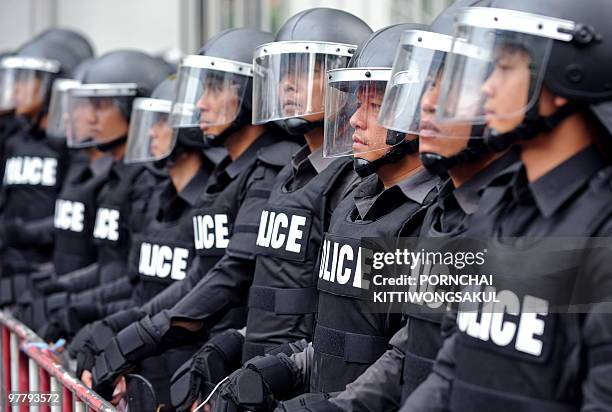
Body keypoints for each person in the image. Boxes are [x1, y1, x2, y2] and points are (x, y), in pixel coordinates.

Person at [216, 22, 441, 411]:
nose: (355, 119)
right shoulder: (354, 202)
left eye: (377, 106)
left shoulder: (430, 216)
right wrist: (282, 368)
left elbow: (410, 356)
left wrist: (334, 407)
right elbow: (334, 335)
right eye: (357, 102)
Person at [401, 1, 612, 410]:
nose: (485, 87)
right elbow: (451, 368)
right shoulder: (496, 204)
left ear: (568, 73)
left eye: (504, 68)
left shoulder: (602, 233)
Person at [168, 8, 372, 410]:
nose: (288, 85)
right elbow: (270, 288)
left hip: (306, 387)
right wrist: (236, 343)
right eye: (284, 71)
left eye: (308, 71)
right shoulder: (290, 173)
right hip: (261, 379)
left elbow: (341, 323)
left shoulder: (356, 183)